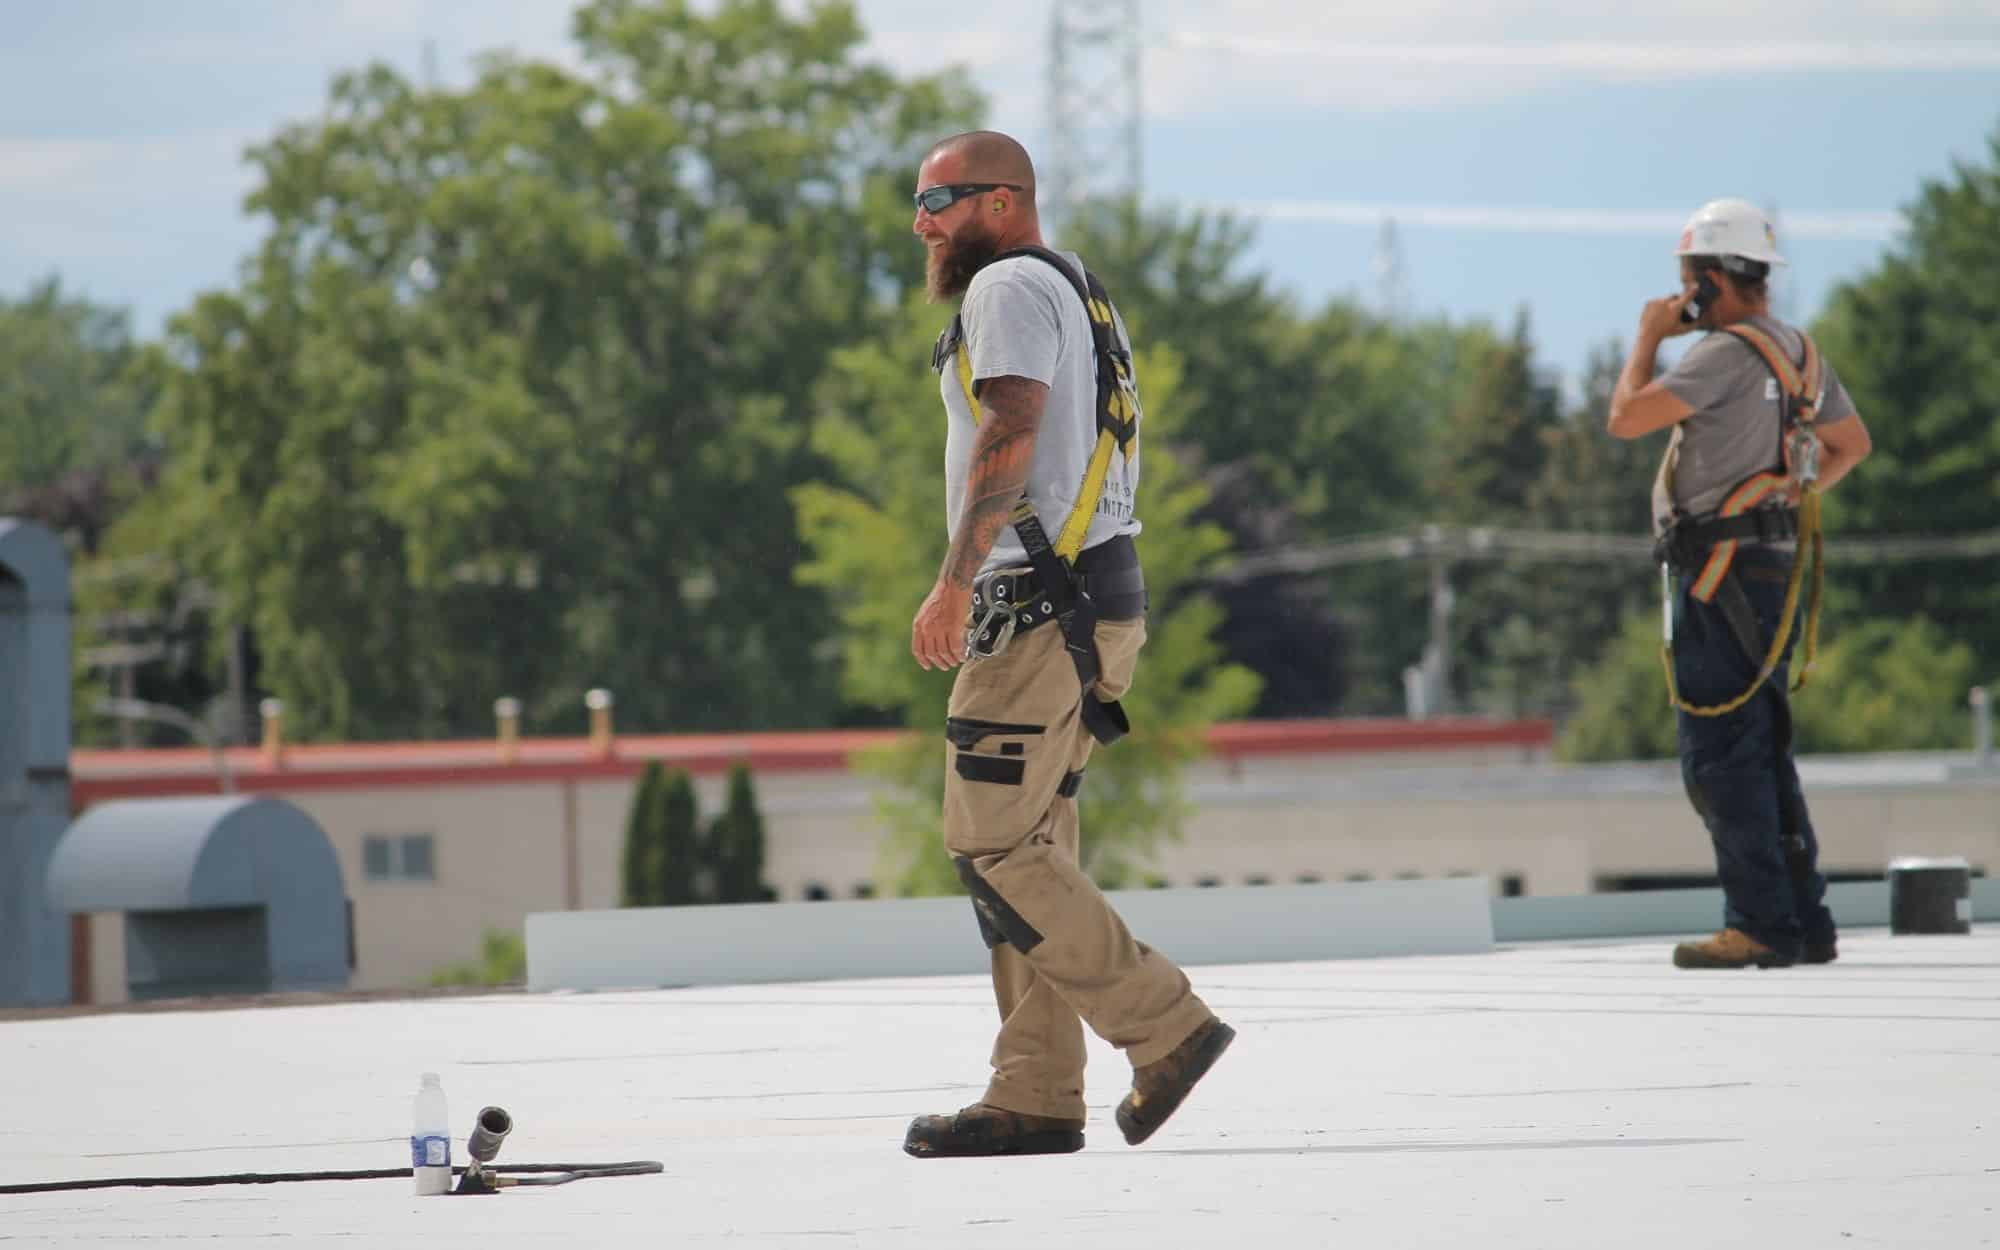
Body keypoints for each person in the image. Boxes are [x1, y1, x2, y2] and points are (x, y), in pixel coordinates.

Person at [900, 130, 1233, 1157]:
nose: (922, 221)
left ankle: (1163, 1023)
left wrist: (953, 579)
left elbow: (1010, 430)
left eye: (941, 198)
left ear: (1002, 201)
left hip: (1036, 604)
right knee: (1028, 851)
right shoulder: (1074, 288)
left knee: (991, 844)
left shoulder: (1004, 286)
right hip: (1091, 599)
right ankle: (1035, 1090)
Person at [1607, 198, 1873, 970]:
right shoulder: (1799, 352)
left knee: (1721, 755)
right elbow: (1850, 445)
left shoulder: (1720, 356)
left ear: (1709, 281)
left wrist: (1649, 338)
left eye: (1687, 281)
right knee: (1762, 747)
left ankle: (1758, 922)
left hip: (1716, 575)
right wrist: (1789, 487)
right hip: (1768, 572)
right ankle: (1803, 922)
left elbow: (1626, 417)